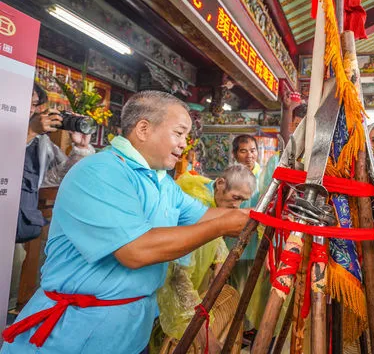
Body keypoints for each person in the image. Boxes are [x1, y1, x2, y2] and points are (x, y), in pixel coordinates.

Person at [2, 90, 250, 354]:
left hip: (130, 330)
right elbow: (135, 250)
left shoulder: (162, 182)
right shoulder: (101, 172)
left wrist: (262, 217)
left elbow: (206, 216)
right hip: (75, 331)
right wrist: (220, 228)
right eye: (178, 133)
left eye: (186, 136)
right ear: (143, 128)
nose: (183, 144)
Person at [9, 84, 95, 311]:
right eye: (28, 100)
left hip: (16, 227)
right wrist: (28, 133)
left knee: (11, 280)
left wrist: (80, 148)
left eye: (35, 103)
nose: (32, 108)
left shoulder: (41, 142)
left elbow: (56, 178)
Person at [154, 164, 256, 354]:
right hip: (164, 291)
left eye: (243, 201)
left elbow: (215, 240)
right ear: (220, 183)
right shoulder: (194, 197)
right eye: (235, 198)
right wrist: (201, 329)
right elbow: (177, 275)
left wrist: (220, 262)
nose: (236, 206)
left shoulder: (213, 200)